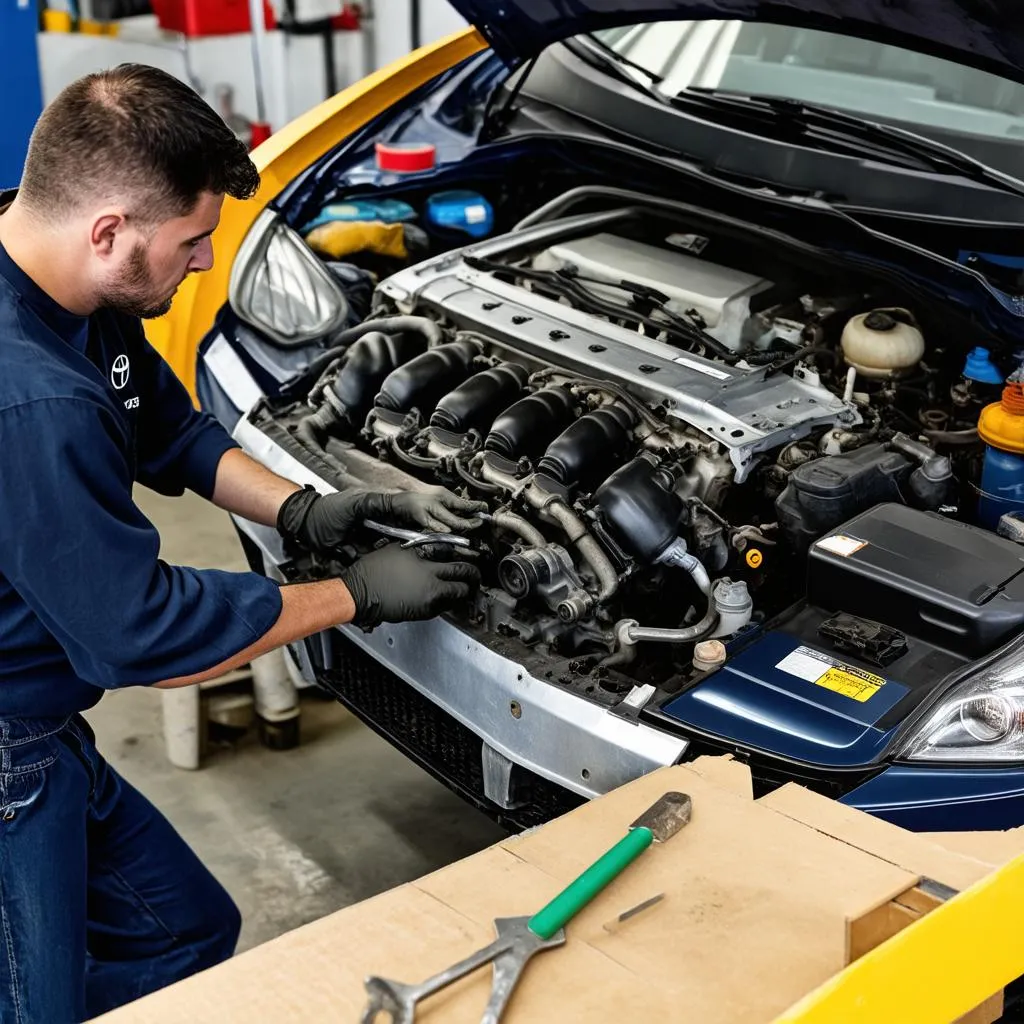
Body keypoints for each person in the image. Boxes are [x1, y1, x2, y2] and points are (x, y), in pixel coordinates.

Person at [0, 63, 484, 1023]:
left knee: (184, 932)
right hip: (10, 747)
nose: (204, 266)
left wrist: (304, 510)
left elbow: (166, 429)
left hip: (43, 727)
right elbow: (141, 635)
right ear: (108, 230)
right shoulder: (34, 398)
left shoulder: (55, 273)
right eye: (192, 242)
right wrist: (356, 594)